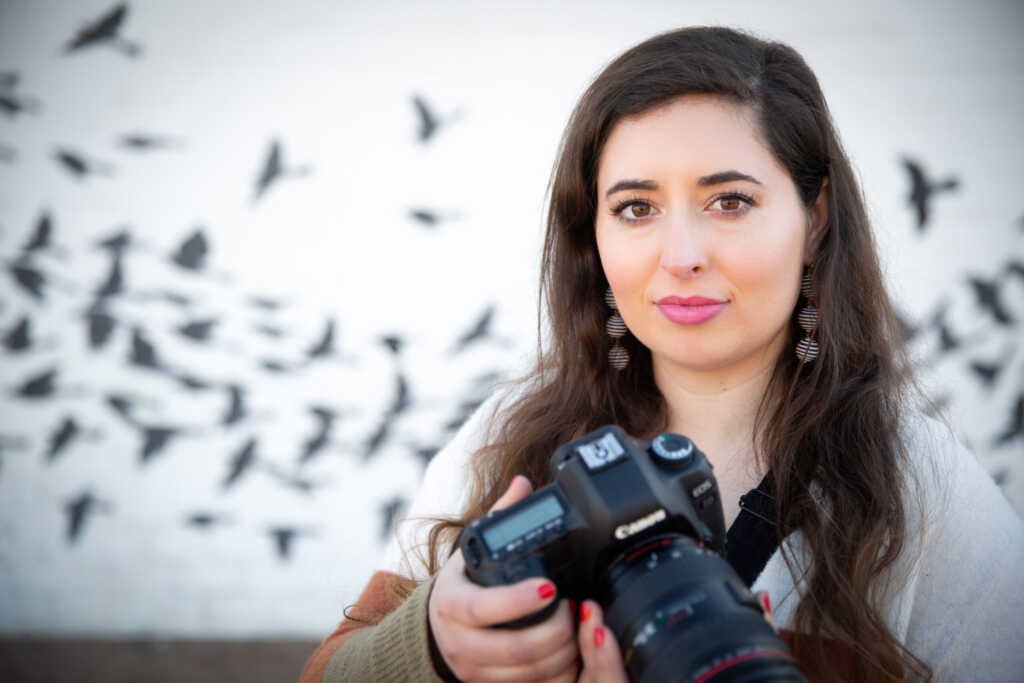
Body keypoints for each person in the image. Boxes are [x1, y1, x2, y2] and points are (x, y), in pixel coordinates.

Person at [301, 26, 1023, 682]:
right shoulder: (509, 435)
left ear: (816, 217)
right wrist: (432, 642)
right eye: (636, 208)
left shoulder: (917, 491)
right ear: (595, 234)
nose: (680, 256)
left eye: (730, 201)